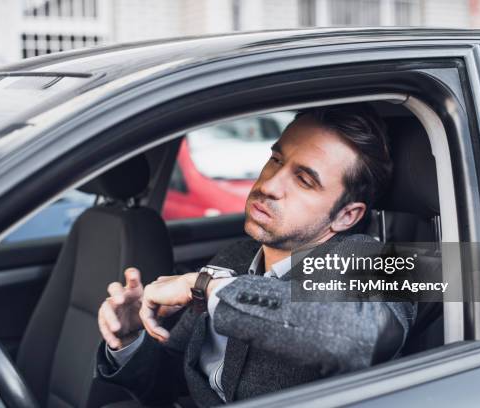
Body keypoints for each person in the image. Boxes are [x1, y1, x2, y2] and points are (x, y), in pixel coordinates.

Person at [95, 104, 415, 407]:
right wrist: (129, 340)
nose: (270, 185)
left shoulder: (389, 261)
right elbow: (172, 377)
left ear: (346, 216)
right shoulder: (233, 257)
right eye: (276, 160)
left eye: (304, 180)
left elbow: (362, 338)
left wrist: (207, 286)